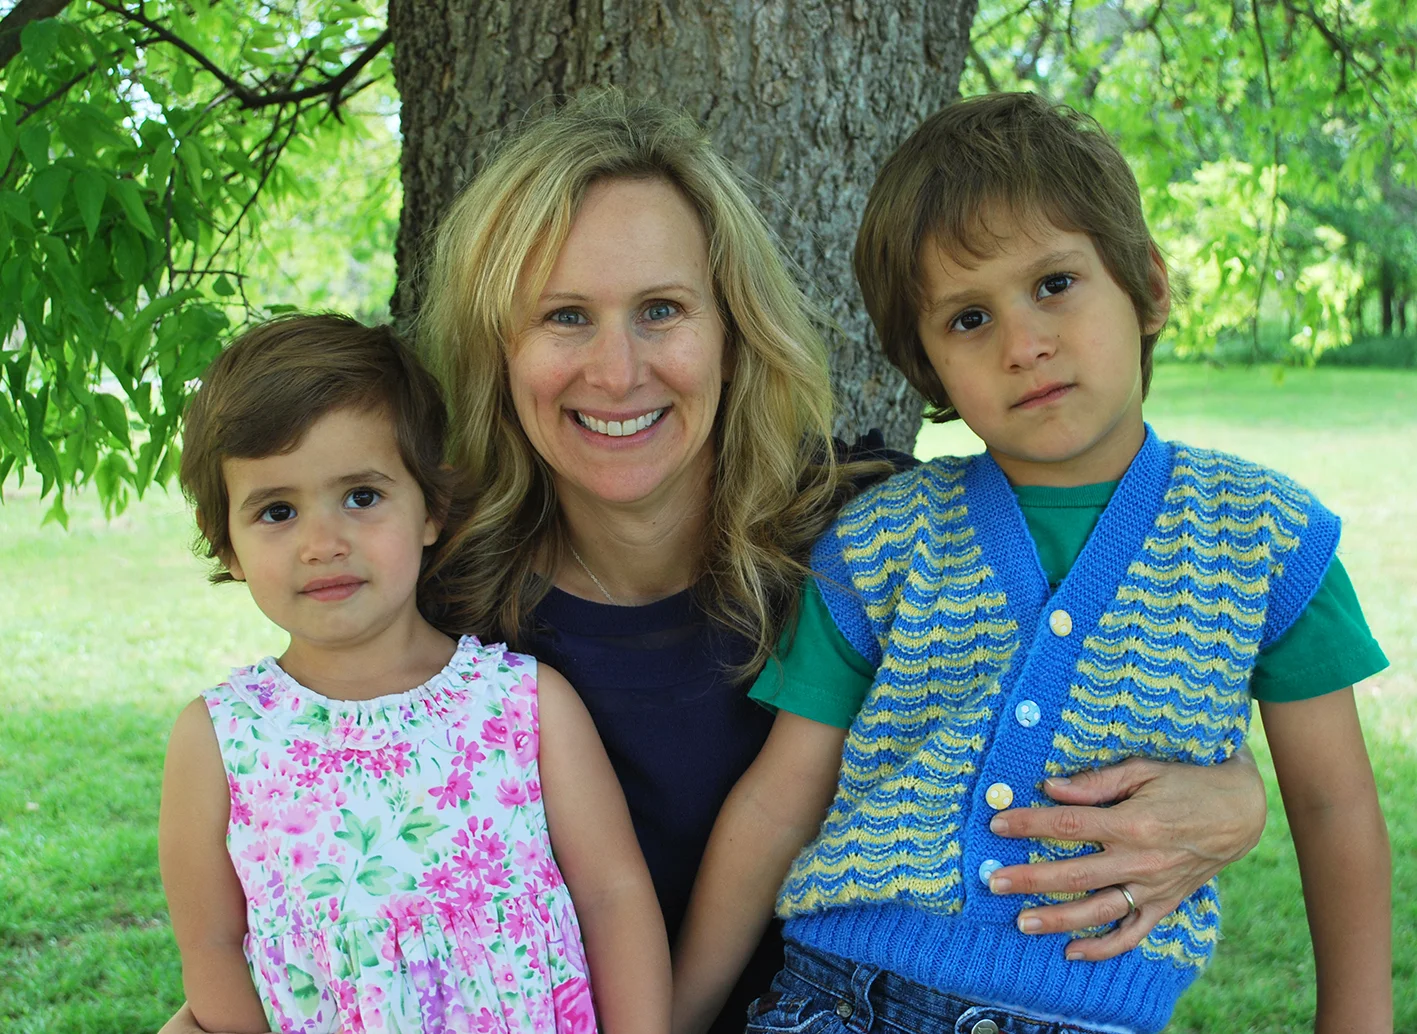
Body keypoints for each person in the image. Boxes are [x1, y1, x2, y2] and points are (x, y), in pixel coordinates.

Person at [157, 92, 1272, 1034]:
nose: (618, 368)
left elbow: (1083, 661)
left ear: (732, 329)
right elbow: (306, 853)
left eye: (660, 310)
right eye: (563, 317)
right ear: (500, 352)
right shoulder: (445, 611)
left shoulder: (878, 538)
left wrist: (1237, 796)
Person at [672, 92, 1392, 1034]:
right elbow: (777, 803)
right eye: (968, 319)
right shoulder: (879, 544)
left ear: (1147, 285)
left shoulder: (1268, 540)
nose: (1023, 345)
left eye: (1054, 284)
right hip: (843, 998)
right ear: (928, 371)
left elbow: (1333, 808)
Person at [160, 314, 668, 1034]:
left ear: (430, 506)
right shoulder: (219, 741)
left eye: (361, 497)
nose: (322, 543)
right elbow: (210, 944)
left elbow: (614, 896)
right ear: (229, 547)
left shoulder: (522, 705)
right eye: (276, 511)